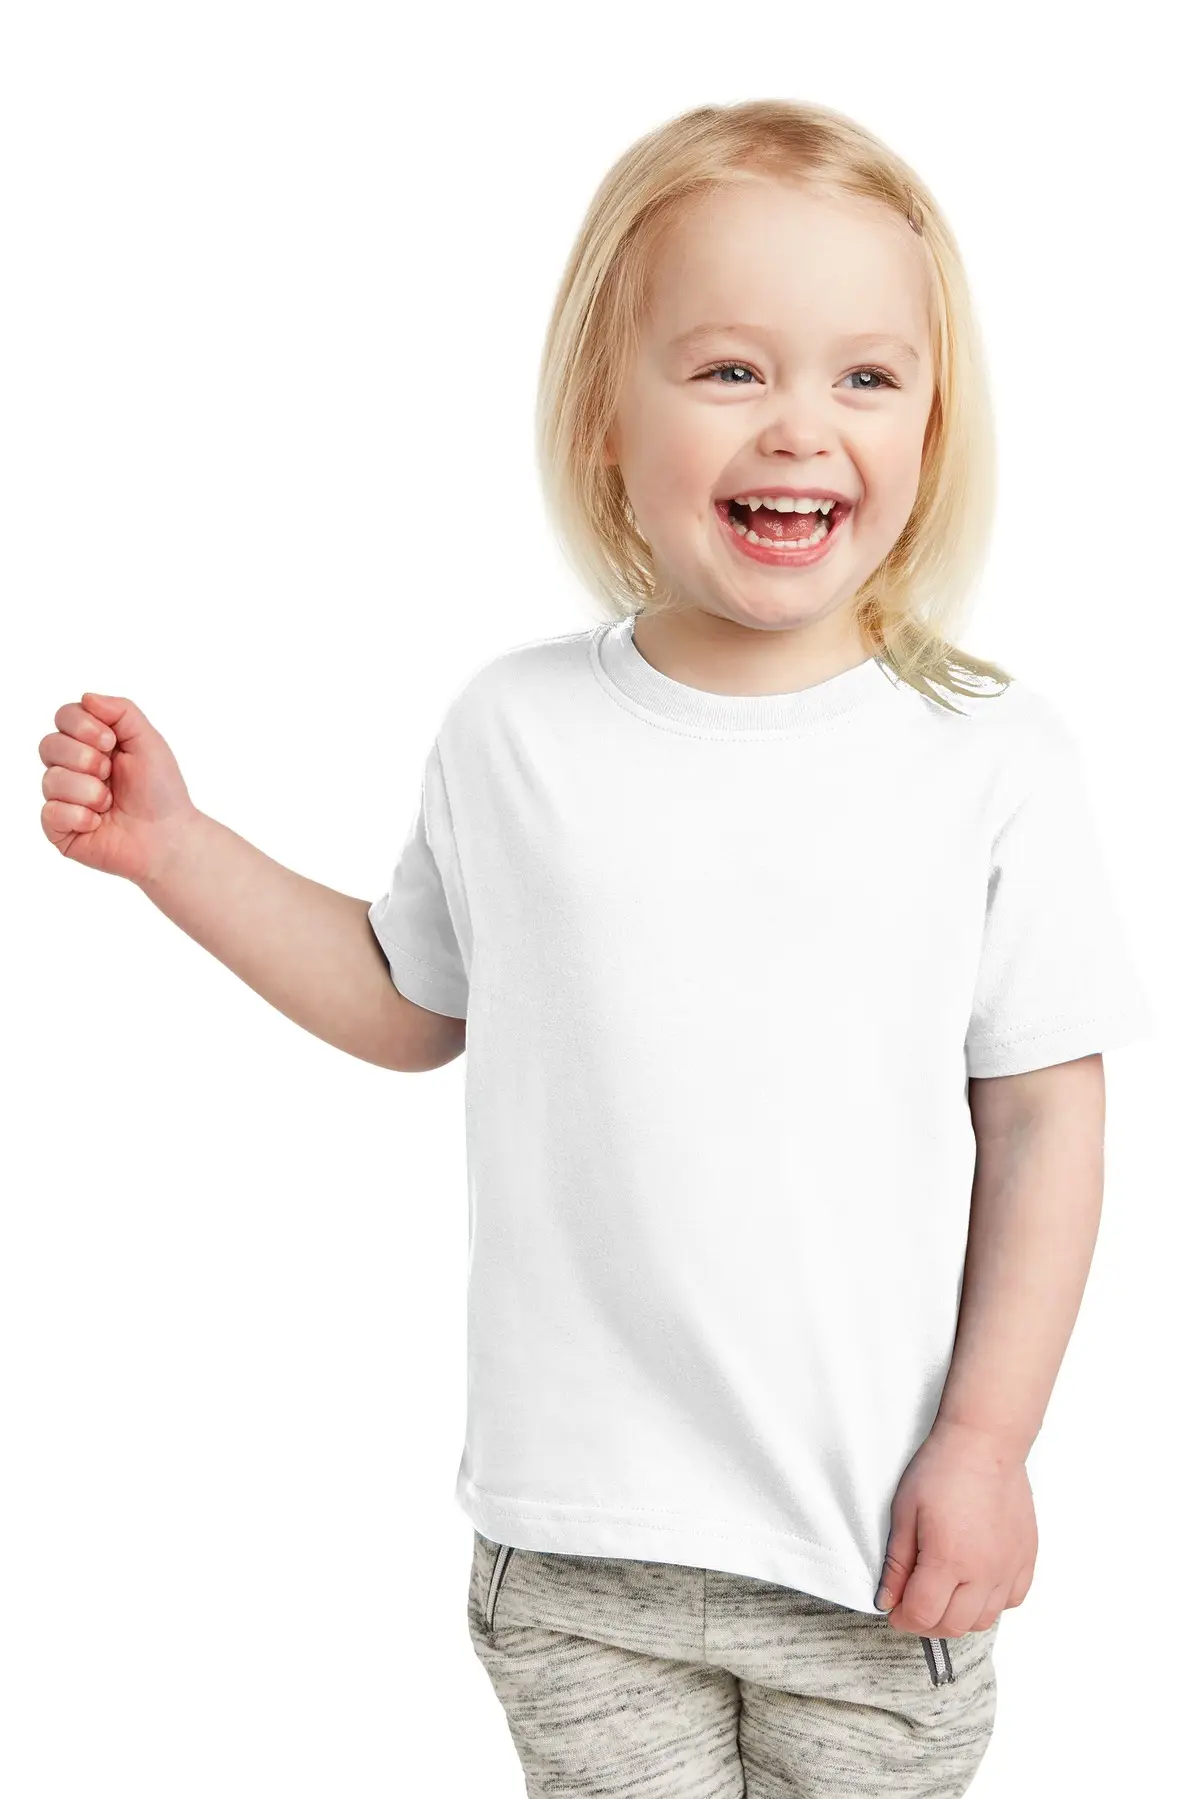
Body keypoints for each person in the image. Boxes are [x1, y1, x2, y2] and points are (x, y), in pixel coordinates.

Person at [39, 97, 1154, 1799]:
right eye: (730, 369)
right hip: (579, 1551)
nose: (801, 425)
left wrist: (992, 1444)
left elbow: (1048, 1119)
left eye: (867, 376)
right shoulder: (517, 730)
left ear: (935, 423)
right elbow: (409, 1000)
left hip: (875, 1551)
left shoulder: (990, 760)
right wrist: (175, 851)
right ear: (604, 414)